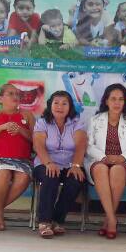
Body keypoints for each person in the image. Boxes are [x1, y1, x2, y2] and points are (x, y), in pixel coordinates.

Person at [85, 83, 126, 239]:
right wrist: (103, 158)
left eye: (121, 99)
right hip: (100, 160)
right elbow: (88, 146)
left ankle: (109, 220)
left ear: (125, 102)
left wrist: (121, 158)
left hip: (125, 163)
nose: (117, 103)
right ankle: (112, 219)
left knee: (117, 169)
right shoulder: (95, 120)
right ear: (106, 101)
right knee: (101, 169)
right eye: (113, 99)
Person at [32, 91, 87, 238]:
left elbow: (81, 144)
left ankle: (57, 220)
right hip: (45, 162)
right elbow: (38, 145)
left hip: (70, 163)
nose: (60, 106)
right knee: (50, 177)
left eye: (64, 103)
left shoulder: (77, 122)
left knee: (76, 180)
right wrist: (49, 163)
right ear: (50, 105)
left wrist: (76, 165)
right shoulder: (42, 122)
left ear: (70, 107)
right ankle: (44, 221)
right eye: (56, 103)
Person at [0, 83, 35, 231]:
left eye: (17, 94)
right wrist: (2, 127)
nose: (15, 97)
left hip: (22, 159)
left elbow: (35, 140)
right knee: (3, 173)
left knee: (24, 177)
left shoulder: (27, 115)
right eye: (10, 94)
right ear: (0, 98)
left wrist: (21, 131)